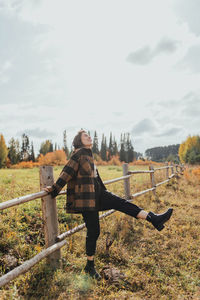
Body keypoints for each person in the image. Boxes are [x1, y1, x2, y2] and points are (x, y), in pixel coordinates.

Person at [44, 129, 173, 280]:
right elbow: (66, 173)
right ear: (79, 140)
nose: (89, 137)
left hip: (98, 194)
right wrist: (54, 189)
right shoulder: (78, 154)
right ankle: (89, 266)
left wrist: (105, 193)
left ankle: (154, 218)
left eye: (89, 135)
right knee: (94, 231)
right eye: (85, 135)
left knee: (123, 203)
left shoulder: (88, 154)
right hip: (86, 199)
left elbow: (95, 178)